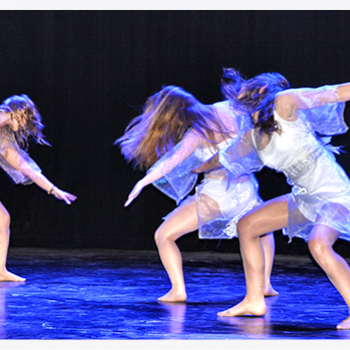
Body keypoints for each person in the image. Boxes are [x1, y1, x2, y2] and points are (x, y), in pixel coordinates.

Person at [195, 64, 350, 329]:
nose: (240, 97)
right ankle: (254, 300)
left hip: (333, 193)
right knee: (248, 225)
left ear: (264, 90)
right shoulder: (252, 136)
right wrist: (193, 167)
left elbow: (334, 93)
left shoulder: (284, 103)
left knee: (319, 245)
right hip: (305, 196)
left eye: (248, 90)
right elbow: (222, 157)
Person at [116, 85, 278, 302]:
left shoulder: (197, 133)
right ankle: (265, 284)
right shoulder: (226, 110)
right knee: (264, 230)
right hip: (247, 191)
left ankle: (178, 290)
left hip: (217, 196)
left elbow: (172, 160)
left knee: (164, 235)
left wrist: (143, 182)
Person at [0, 95, 77, 282]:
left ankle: (0, 271)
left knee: (2, 219)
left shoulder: (2, 139)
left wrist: (54, 189)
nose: (26, 128)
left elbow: (27, 169)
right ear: (19, 111)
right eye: (28, 120)